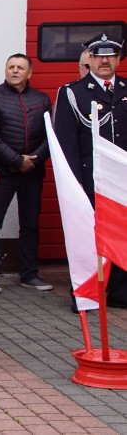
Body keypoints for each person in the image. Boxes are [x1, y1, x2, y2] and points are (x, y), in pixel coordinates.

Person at [53, 33, 127, 309]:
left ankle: (120, 292)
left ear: (118, 59)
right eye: (100, 56)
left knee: (122, 234)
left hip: (122, 179)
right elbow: (66, 142)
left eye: (111, 56)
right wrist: (74, 183)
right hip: (89, 177)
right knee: (88, 237)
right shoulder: (73, 92)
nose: (105, 61)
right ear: (90, 60)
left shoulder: (124, 90)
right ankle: (87, 293)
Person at [0, 54, 52, 293]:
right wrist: (16, 160)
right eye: (10, 66)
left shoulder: (41, 99)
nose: (14, 71)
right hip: (3, 172)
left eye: (20, 68)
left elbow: (49, 136)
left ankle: (29, 275)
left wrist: (35, 159)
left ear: (29, 73)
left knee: (30, 224)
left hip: (32, 171)